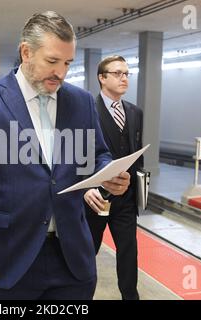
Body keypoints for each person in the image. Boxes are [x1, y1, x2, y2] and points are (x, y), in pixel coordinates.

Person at [0, 11, 131, 300]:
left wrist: (109, 174)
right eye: (52, 61)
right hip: (7, 256)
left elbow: (98, 154)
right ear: (25, 52)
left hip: (71, 260)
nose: (60, 71)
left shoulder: (80, 102)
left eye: (67, 63)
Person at [84, 55, 144, 300]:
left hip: (126, 198)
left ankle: (131, 296)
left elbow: (135, 152)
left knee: (129, 252)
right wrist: (86, 189)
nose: (124, 78)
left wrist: (138, 191)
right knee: (87, 253)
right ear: (102, 77)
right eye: (118, 73)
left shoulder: (135, 112)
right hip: (96, 199)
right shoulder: (87, 110)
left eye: (127, 74)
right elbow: (79, 154)